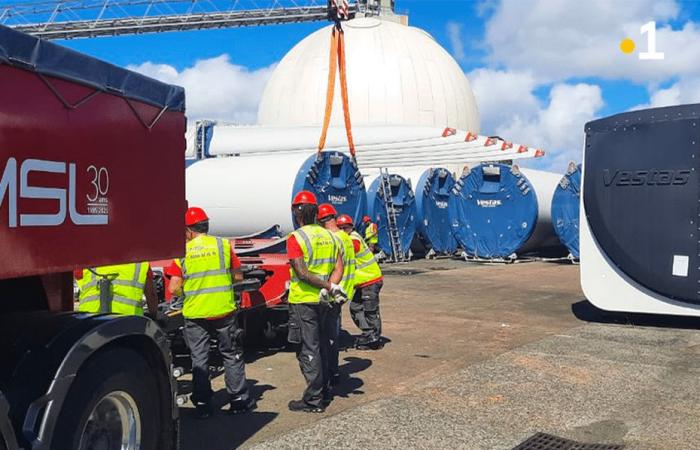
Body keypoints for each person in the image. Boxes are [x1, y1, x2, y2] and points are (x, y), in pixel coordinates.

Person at [167, 206, 255, 419]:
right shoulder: (223, 245)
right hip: (223, 310)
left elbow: (173, 287)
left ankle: (204, 403)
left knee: (199, 358)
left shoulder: (182, 252)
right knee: (231, 354)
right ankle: (239, 401)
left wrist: (190, 291)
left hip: (196, 313)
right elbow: (238, 278)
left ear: (188, 229)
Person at [287, 191, 345, 413]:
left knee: (307, 348)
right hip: (324, 300)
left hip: (304, 300)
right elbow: (338, 267)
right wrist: (330, 286)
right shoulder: (330, 237)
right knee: (322, 345)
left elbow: (301, 273)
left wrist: (326, 286)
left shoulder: (297, 238)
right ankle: (325, 388)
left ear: (297, 212)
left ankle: (313, 399)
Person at [317, 203, 356, 392]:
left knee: (328, 337)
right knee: (333, 334)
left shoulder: (333, 238)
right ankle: (334, 373)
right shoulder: (345, 237)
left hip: (333, 293)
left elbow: (334, 267)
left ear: (322, 221)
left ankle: (330, 374)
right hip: (343, 291)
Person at [337, 214, 384, 350]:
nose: (342, 230)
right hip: (364, 281)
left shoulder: (353, 240)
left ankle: (374, 337)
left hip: (370, 279)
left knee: (370, 310)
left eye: (345, 228)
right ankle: (369, 333)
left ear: (351, 227)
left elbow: (347, 253)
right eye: (340, 228)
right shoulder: (350, 238)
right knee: (356, 307)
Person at [75, 262, 158, 316]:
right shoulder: (141, 262)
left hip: (90, 319)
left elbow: (77, 279)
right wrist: (154, 315)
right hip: (129, 321)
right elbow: (151, 294)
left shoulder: (88, 258)